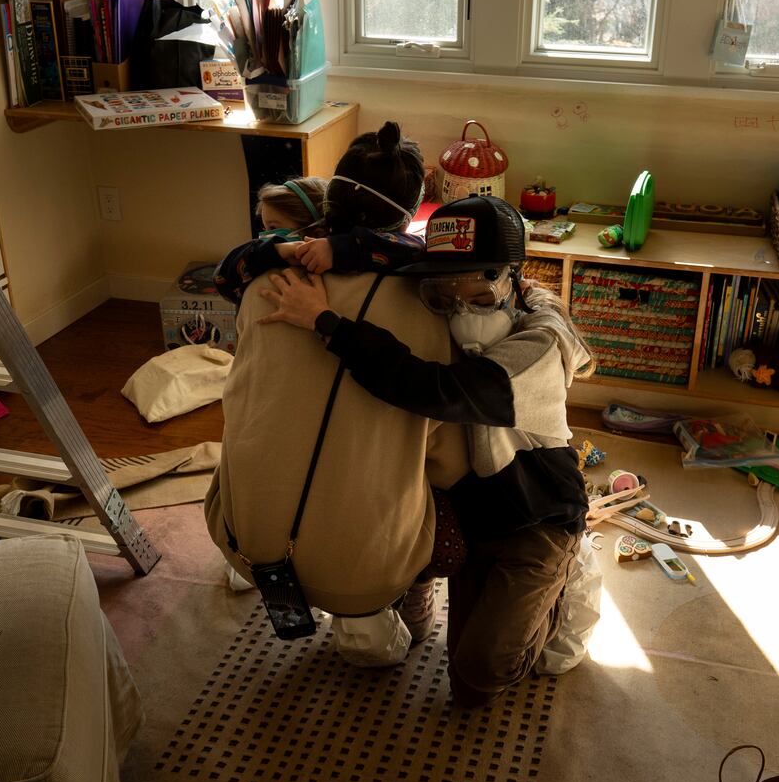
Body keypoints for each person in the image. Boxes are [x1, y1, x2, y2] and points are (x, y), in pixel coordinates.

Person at [258, 195, 594, 707]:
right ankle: (440, 584)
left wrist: (326, 322)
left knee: (480, 676)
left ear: (513, 280)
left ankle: (572, 571)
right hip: (474, 515)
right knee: (451, 658)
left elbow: (438, 390)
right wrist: (329, 248)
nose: (460, 313)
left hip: (537, 517)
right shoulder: (444, 301)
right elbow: (391, 249)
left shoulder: (541, 343)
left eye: (478, 297)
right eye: (443, 298)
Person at [204, 127, 466, 646]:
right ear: (411, 210)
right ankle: (390, 609)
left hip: (245, 537)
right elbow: (449, 461)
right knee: (461, 465)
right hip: (366, 572)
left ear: (331, 198)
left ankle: (260, 574)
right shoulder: (430, 303)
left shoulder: (264, 279)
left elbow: (241, 394)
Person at [213, 121, 427, 305]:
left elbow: (416, 247)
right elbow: (223, 276)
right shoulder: (295, 259)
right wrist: (278, 250)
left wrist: (337, 248)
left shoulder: (326, 254)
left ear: (317, 231)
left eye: (274, 229)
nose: (267, 236)